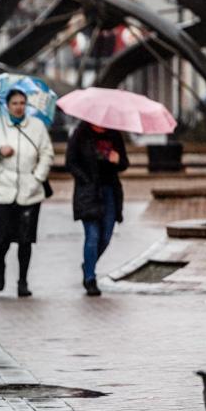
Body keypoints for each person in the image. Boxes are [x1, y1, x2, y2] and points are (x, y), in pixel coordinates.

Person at [0, 89, 55, 297]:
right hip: (3, 188)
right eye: (14, 103)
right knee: (3, 237)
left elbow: (47, 153)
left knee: (25, 238)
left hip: (30, 191)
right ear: (7, 106)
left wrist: (38, 176)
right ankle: (0, 264)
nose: (19, 107)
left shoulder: (37, 127)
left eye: (22, 103)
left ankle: (22, 280)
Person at [66, 121, 129, 296]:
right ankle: (90, 278)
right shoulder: (80, 133)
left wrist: (117, 160)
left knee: (106, 236)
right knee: (92, 235)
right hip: (88, 192)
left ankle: (88, 263)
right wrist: (86, 180)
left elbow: (124, 163)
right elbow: (70, 162)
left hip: (110, 191)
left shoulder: (114, 134)